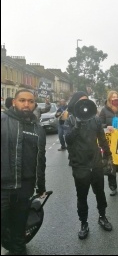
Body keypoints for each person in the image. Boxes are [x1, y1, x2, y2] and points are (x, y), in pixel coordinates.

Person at [1, 89, 47, 255]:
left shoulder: (38, 129)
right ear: (14, 102)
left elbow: (40, 160)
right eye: (22, 100)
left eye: (30, 101)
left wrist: (41, 186)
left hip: (25, 188)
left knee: (20, 228)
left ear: (34, 104)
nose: (26, 104)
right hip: (3, 187)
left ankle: (17, 249)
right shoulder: (3, 120)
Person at [64, 91, 113, 239]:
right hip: (80, 165)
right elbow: (68, 140)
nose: (84, 105)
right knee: (82, 196)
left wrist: (108, 156)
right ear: (75, 103)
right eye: (81, 101)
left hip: (96, 162)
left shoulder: (96, 120)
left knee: (100, 192)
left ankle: (102, 217)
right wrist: (77, 125)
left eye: (86, 101)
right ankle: (84, 223)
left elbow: (102, 140)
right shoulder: (70, 120)